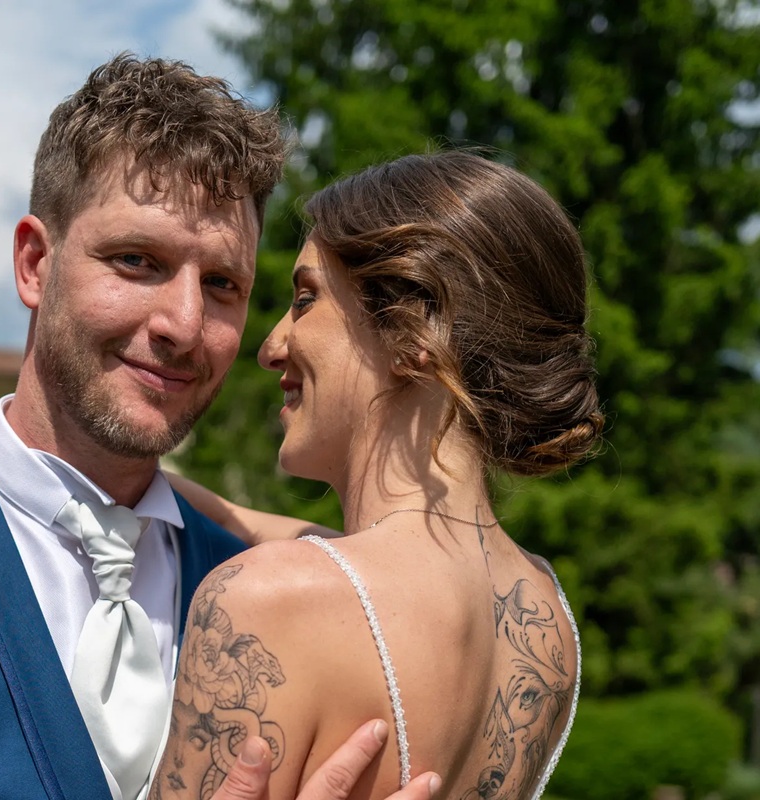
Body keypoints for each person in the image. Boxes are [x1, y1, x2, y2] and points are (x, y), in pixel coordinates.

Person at [0, 54, 441, 800]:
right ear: (35, 263)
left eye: (223, 284)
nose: (185, 325)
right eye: (137, 260)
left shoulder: (276, 597)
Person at [145, 151, 601, 799]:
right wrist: (9, 433)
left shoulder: (270, 599)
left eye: (306, 299)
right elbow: (246, 522)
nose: (271, 344)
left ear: (416, 328)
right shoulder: (549, 619)